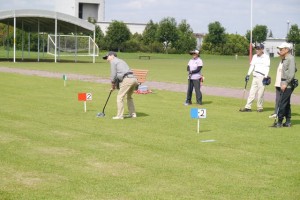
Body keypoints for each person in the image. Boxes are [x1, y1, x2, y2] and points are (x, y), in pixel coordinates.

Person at [103, 51, 138, 120]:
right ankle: (132, 114)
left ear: (112, 56)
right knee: (129, 97)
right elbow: (119, 76)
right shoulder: (121, 61)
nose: (107, 59)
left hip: (127, 79)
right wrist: (114, 86)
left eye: (107, 57)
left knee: (119, 97)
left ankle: (119, 116)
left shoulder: (113, 61)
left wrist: (112, 84)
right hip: (134, 79)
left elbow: (113, 75)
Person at [239, 43, 270, 112]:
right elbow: (252, 66)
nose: (257, 50)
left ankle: (260, 107)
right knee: (251, 92)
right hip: (255, 76)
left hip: (262, 77)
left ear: (262, 49)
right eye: (256, 48)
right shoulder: (254, 56)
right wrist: (248, 74)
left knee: (260, 93)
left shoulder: (266, 57)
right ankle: (248, 107)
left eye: (258, 49)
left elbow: (267, 67)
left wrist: (265, 77)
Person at [272, 42, 296, 128]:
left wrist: (285, 83)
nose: (280, 50)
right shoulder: (285, 58)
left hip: (287, 84)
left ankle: (279, 122)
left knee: (282, 102)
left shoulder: (290, 58)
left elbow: (292, 73)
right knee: (286, 103)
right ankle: (288, 121)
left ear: (287, 49)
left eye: (281, 49)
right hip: (283, 83)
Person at [269, 53, 285, 119]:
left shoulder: (287, 62)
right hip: (278, 83)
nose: (279, 56)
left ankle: (281, 114)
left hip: (283, 84)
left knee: (283, 100)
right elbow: (278, 73)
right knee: (277, 99)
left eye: (281, 54)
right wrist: (276, 83)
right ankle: (276, 112)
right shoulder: (280, 62)